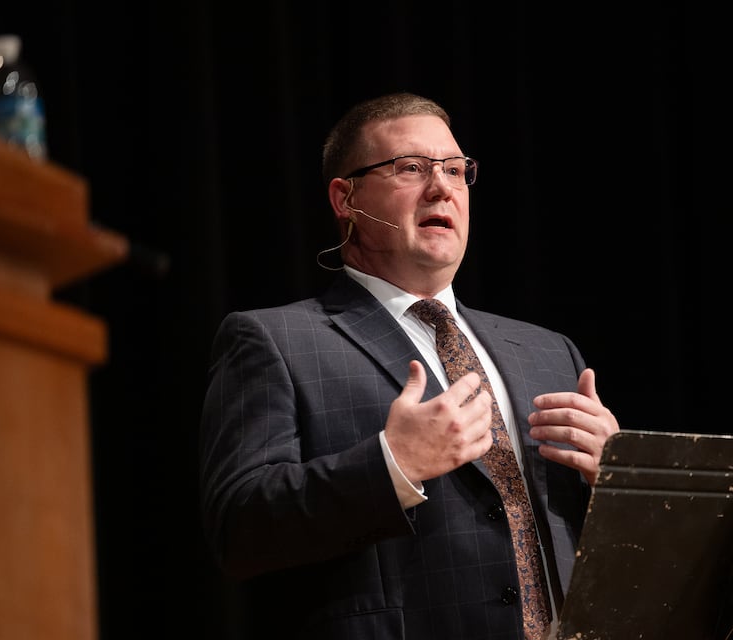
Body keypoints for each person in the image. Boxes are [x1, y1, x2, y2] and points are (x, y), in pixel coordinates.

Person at [198, 92, 620, 640]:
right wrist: (391, 465)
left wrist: (615, 482)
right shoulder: (274, 341)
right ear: (345, 197)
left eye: (455, 169)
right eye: (411, 168)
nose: (442, 186)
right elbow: (239, 529)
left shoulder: (549, 352)